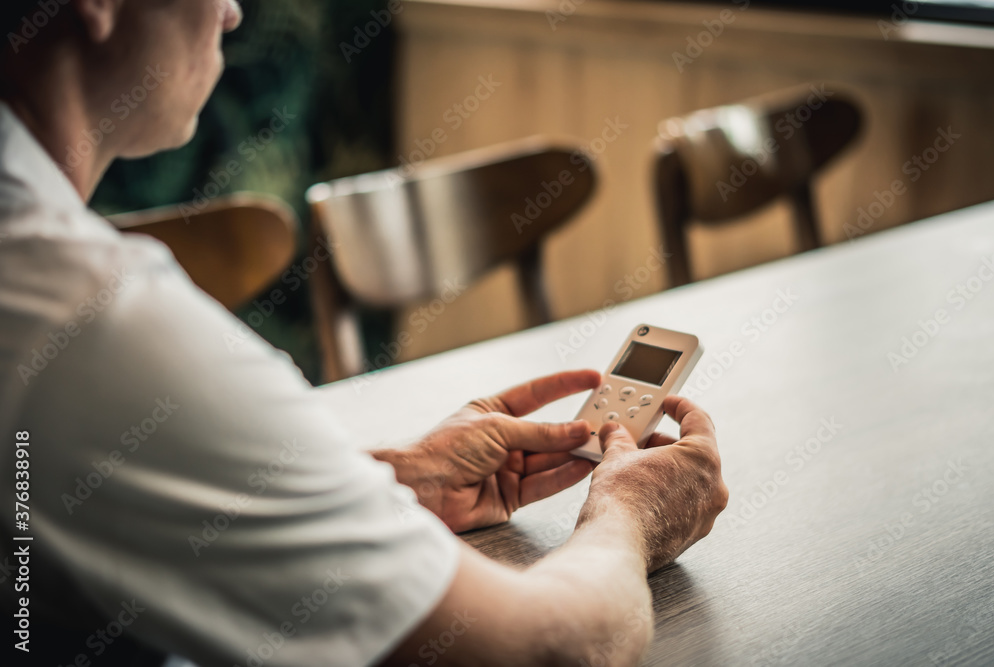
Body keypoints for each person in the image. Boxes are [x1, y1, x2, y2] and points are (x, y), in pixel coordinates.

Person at [0, 1, 728, 665]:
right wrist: (632, 516)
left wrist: (385, 482)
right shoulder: (84, 315)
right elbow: (551, 650)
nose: (230, 10)